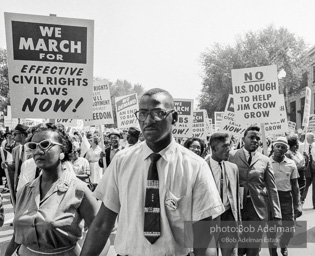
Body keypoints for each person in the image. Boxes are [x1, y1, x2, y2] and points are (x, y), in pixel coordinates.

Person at [80, 88, 224, 256]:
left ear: (174, 117)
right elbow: (102, 224)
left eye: (158, 113)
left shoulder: (196, 166)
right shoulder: (121, 161)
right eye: (142, 113)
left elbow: (203, 237)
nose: (148, 120)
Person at [5, 123, 100, 256]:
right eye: (33, 146)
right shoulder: (25, 191)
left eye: (45, 144)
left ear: (63, 149)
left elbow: (100, 234)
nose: (38, 151)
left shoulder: (80, 190)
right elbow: (17, 235)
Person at [229, 125, 281, 256]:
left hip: (257, 209)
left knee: (253, 247)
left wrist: (276, 212)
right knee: (237, 247)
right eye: (251, 137)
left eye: (257, 138)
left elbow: (272, 187)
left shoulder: (265, 160)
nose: (255, 140)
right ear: (243, 139)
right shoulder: (232, 155)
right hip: (236, 209)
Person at [205, 133, 241, 256]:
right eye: (225, 146)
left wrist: (238, 222)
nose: (229, 149)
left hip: (228, 217)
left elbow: (236, 197)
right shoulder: (201, 167)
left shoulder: (233, 168)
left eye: (229, 145)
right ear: (214, 148)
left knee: (230, 252)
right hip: (209, 217)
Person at [270, 136, 302, 256]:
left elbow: (295, 186)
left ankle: (283, 244)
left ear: (286, 149)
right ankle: (273, 252)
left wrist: (298, 204)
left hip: (286, 198)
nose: (280, 149)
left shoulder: (291, 164)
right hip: (271, 198)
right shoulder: (266, 162)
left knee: (289, 230)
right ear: (273, 147)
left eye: (283, 147)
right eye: (277, 146)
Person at [3, 124, 29, 202]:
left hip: (30, 183)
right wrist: (8, 165)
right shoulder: (15, 150)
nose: (13, 136)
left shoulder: (33, 148)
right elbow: (15, 166)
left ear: (22, 135)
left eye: (15, 134)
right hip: (18, 183)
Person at [286, 135, 308, 200]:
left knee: (300, 197)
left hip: (302, 177)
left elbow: (304, 166)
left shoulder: (298, 153)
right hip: (295, 178)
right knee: (296, 197)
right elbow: (295, 166)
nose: (298, 145)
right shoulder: (288, 154)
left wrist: (306, 158)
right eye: (296, 144)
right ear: (293, 145)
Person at [299, 132, 315, 208]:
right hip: (306, 169)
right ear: (307, 138)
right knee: (305, 185)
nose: (314, 138)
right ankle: (301, 202)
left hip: (314, 168)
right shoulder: (302, 146)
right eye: (312, 137)